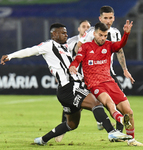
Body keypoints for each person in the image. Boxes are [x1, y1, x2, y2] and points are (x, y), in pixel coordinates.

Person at [0, 23, 133, 145]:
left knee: (72, 124)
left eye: (66, 32)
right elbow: (30, 50)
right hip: (69, 88)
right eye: (63, 33)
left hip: (68, 90)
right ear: (54, 34)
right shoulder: (48, 46)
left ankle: (42, 140)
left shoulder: (67, 46)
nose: (66, 35)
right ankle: (111, 132)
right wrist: (10, 56)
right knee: (96, 103)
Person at [69, 21, 143, 146]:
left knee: (129, 111)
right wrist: (73, 66)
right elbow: (77, 59)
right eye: (101, 35)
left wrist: (126, 34)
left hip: (110, 82)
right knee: (109, 102)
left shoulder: (109, 45)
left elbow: (120, 45)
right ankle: (120, 119)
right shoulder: (86, 46)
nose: (103, 38)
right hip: (95, 84)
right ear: (94, 34)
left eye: (105, 36)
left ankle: (131, 140)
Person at [75, 5, 135, 132]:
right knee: (77, 104)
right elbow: (77, 49)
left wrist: (125, 69)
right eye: (105, 18)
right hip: (90, 77)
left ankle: (119, 133)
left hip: (108, 75)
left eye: (110, 18)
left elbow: (119, 51)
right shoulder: (91, 33)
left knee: (121, 106)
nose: (108, 21)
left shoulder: (115, 32)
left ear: (114, 18)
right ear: (100, 18)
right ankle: (66, 126)